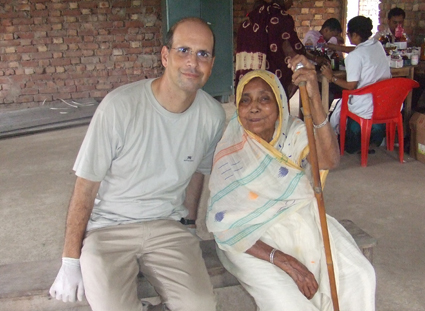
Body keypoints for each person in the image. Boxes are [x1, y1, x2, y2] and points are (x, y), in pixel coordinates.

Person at [49, 17, 226, 311]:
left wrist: (190, 225)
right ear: (165, 56)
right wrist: (70, 260)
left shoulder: (212, 117)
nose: (192, 62)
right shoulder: (119, 107)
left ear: (212, 63)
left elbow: (198, 173)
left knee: (200, 305)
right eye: (183, 50)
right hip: (108, 229)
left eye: (203, 54)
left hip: (167, 226)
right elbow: (86, 186)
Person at [206, 55, 376, 311]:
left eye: (264, 99)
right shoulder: (231, 149)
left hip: (303, 220)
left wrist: (314, 96)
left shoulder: (295, 132)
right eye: (245, 100)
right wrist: (284, 260)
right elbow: (226, 226)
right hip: (249, 240)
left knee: (358, 276)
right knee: (288, 303)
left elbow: (329, 160)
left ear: (280, 106)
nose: (254, 107)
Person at [322, 16, 391, 154]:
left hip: (365, 105)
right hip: (386, 102)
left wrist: (331, 78)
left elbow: (351, 86)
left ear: (354, 34)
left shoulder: (355, 57)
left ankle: (342, 141)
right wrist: (336, 47)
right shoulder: (377, 45)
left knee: (337, 110)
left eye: (348, 34)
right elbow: (358, 50)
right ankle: (374, 141)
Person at [234, 0, 329, 100]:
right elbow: (294, 49)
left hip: (247, 82)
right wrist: (314, 59)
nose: (292, 4)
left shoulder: (246, 23)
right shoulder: (282, 19)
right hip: (271, 80)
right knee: (274, 103)